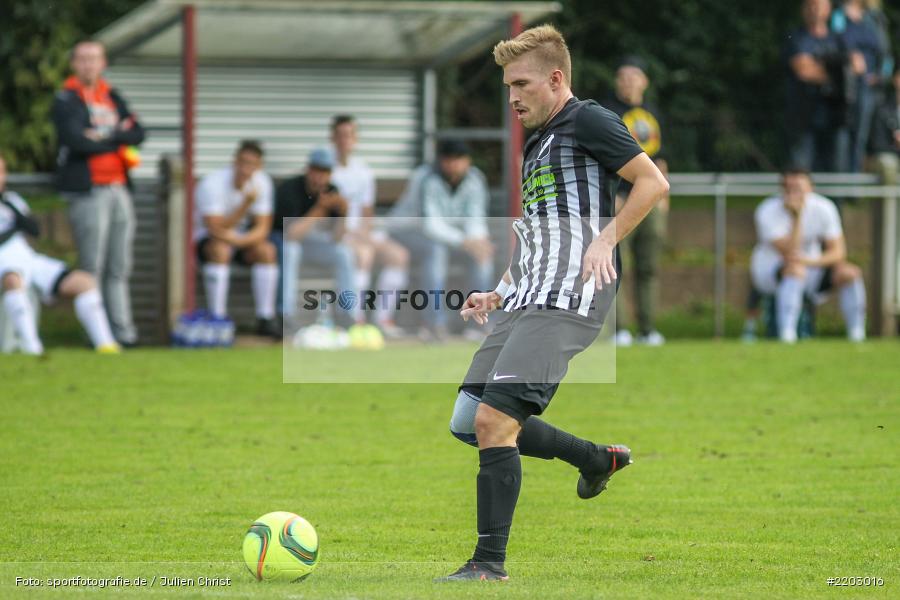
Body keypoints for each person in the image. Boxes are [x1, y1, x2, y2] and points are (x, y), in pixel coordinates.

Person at [437, 25, 668, 582]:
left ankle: (488, 565)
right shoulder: (537, 143)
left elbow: (651, 183)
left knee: (495, 421)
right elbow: (537, 233)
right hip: (530, 296)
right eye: (507, 86)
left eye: (521, 83)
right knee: (468, 421)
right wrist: (501, 290)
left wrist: (606, 239)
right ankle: (594, 458)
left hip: (569, 297)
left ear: (556, 78)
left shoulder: (587, 120)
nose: (512, 97)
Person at [51, 39, 145, 346]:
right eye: (83, 59)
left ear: (103, 63)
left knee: (120, 266)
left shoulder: (112, 96)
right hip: (88, 191)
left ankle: (123, 332)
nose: (89, 64)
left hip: (119, 188)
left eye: (94, 59)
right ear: (74, 64)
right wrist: (115, 137)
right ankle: (98, 336)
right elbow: (75, 140)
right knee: (92, 266)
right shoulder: (66, 99)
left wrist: (103, 135)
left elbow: (138, 132)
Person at [0, 152, 121, 355]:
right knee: (13, 280)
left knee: (84, 282)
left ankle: (106, 346)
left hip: (27, 259)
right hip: (4, 264)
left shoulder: (13, 201)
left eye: (2, 171)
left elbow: (34, 231)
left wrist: (10, 208)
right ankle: (33, 349)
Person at [390, 139, 494, 341]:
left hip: (450, 237)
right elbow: (430, 224)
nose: (453, 165)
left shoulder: (475, 179)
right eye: (448, 160)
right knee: (435, 252)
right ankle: (434, 324)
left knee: (482, 256)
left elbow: (476, 217)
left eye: (458, 160)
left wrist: (478, 242)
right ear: (441, 161)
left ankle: (478, 323)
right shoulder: (424, 178)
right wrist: (466, 242)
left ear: (467, 161)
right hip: (407, 231)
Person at [750, 167, 866, 342]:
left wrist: (812, 262)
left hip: (812, 267)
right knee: (795, 271)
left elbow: (839, 251)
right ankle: (787, 335)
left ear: (810, 187)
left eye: (799, 188)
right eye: (790, 189)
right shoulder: (766, 210)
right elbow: (790, 252)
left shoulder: (825, 207)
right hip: (771, 272)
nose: (795, 194)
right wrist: (796, 217)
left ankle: (857, 334)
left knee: (850, 273)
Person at [606, 55, 669, 346]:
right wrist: (614, 194)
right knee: (616, 263)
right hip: (621, 198)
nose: (628, 80)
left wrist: (664, 196)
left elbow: (660, 157)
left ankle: (648, 329)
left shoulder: (652, 112)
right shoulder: (607, 112)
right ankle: (620, 329)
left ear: (644, 81)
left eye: (634, 75)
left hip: (651, 197)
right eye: (623, 75)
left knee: (649, 265)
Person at [330, 115, 408, 336]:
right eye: (341, 135)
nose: (346, 140)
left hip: (361, 232)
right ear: (333, 138)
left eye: (350, 135)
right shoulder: (328, 170)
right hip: (339, 234)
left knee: (398, 255)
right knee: (364, 254)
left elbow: (367, 212)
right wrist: (353, 234)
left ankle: (383, 318)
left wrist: (364, 232)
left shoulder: (363, 170)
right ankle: (355, 319)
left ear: (356, 139)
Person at [194, 140, 279, 338]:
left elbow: (263, 227)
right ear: (234, 161)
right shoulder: (212, 184)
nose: (245, 169)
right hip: (209, 239)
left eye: (251, 164)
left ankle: (265, 318)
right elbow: (215, 228)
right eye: (242, 162)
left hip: (239, 240)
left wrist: (241, 242)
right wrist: (244, 206)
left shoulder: (262, 182)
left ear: (259, 166)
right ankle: (218, 319)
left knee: (267, 251)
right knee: (220, 250)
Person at [271, 147, 354, 329]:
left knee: (344, 253)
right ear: (308, 170)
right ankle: (286, 314)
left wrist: (344, 214)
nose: (320, 177)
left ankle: (346, 314)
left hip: (311, 244)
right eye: (317, 171)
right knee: (291, 251)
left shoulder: (333, 190)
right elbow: (292, 235)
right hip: (282, 241)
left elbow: (337, 238)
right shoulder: (290, 189)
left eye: (325, 172)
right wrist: (319, 209)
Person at [785, 0, 853, 173]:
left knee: (836, 167)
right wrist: (836, 73)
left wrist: (819, 67)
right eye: (811, 6)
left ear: (829, 10)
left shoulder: (838, 39)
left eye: (820, 6)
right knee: (802, 168)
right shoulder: (797, 37)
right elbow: (804, 70)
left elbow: (857, 66)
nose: (815, 11)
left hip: (835, 113)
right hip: (804, 114)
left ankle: (835, 201)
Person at [830, 0, 888, 172]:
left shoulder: (875, 17)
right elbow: (833, 42)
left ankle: (853, 185)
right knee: (841, 135)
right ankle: (839, 185)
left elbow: (885, 52)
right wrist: (849, 57)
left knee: (860, 137)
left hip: (868, 86)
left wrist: (881, 75)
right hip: (843, 85)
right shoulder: (838, 14)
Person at [868, 66, 900, 184]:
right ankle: (891, 203)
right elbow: (877, 144)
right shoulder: (882, 108)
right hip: (888, 155)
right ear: (895, 79)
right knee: (889, 164)